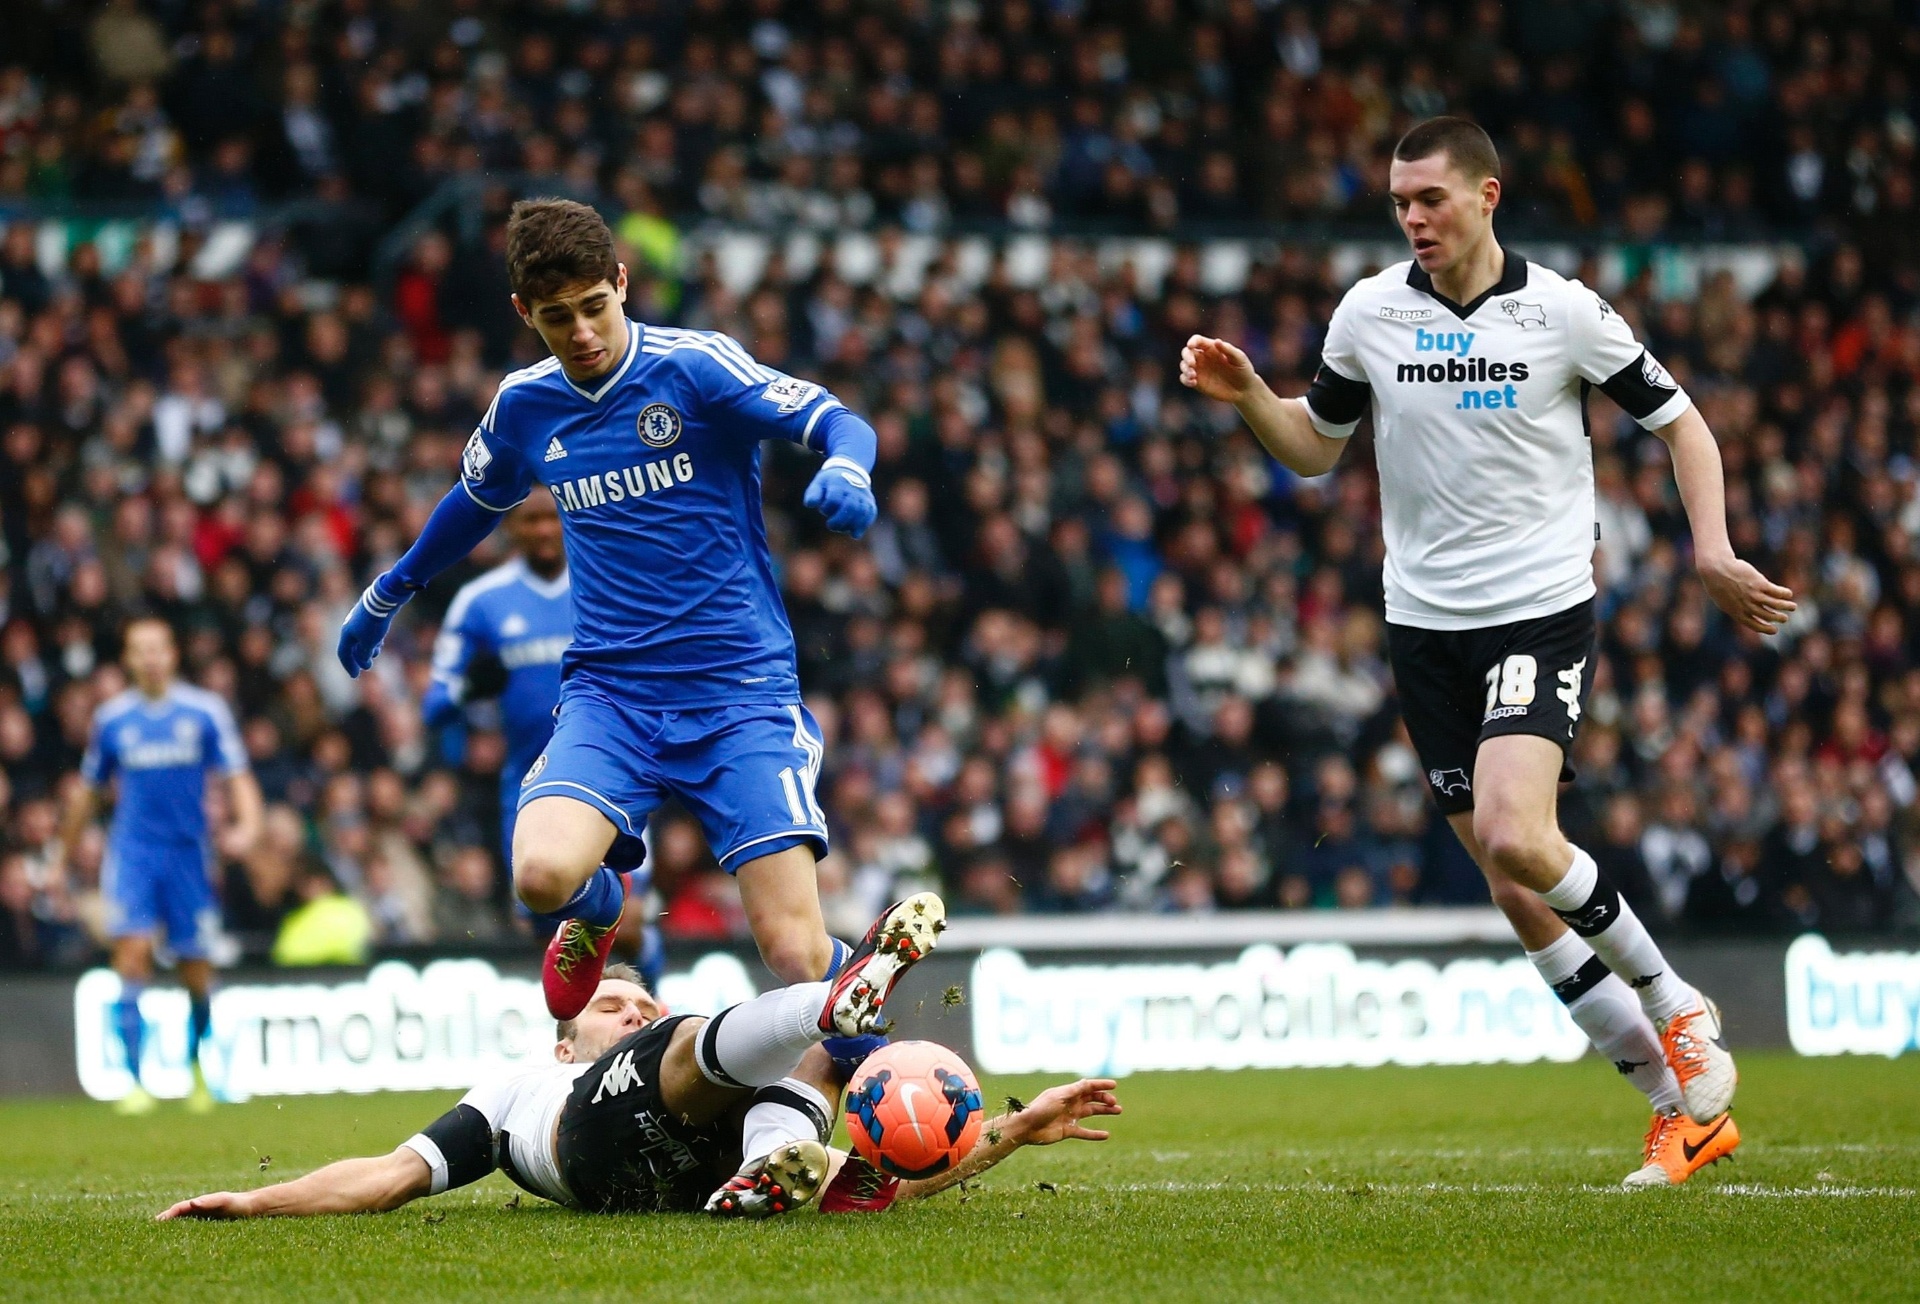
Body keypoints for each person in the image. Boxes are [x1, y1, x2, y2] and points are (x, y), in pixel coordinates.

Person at [1179, 117, 1781, 1189]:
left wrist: (1714, 548)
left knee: (1516, 831)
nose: (1413, 219)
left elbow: (1684, 423)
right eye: (1401, 203)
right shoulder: (1368, 313)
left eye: (1432, 200)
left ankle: (1676, 1001)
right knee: (1515, 888)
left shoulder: (1563, 313)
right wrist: (1250, 404)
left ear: (1488, 196)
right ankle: (1673, 1111)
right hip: (1423, 627)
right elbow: (1315, 451)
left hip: (1537, 610)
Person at [337, 199, 881, 1026]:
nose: (583, 331)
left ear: (621, 283)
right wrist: (391, 590)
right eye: (558, 317)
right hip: (613, 695)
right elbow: (474, 501)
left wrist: (851, 466)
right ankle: (599, 905)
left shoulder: (696, 368)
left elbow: (834, 417)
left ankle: (863, 1016)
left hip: (737, 692)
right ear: (526, 314)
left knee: (797, 960)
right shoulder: (525, 405)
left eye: (596, 306)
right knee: (540, 878)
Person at [157, 895, 1111, 1221]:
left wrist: (1015, 1132)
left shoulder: (729, 1095)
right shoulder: (523, 1085)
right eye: (612, 1003)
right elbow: (389, 1176)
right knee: (716, 1041)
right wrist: (254, 1201)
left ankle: (780, 1133)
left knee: (816, 1087)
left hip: (705, 1167)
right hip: (592, 1138)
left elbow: (889, 1181)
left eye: (637, 999)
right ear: (564, 1037)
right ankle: (832, 997)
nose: (632, 1005)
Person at [421, 486, 665, 988]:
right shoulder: (481, 602)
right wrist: (471, 687)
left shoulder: (607, 585)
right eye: (530, 520)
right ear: (511, 527)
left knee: (630, 920)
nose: (543, 530)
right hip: (529, 788)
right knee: (548, 932)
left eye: (551, 518)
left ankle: (646, 1026)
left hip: (614, 775)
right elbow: (435, 704)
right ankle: (572, 1050)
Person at [58, 618, 263, 1114]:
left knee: (196, 969)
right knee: (131, 956)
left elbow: (238, 776)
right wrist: (62, 856)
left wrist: (248, 826)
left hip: (189, 855)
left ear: (172, 654)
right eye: (139, 650)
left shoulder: (205, 711)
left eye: (157, 648)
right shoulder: (111, 720)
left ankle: (197, 1068)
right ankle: (133, 1082)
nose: (149, 658)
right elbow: (88, 792)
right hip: (132, 853)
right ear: (128, 660)